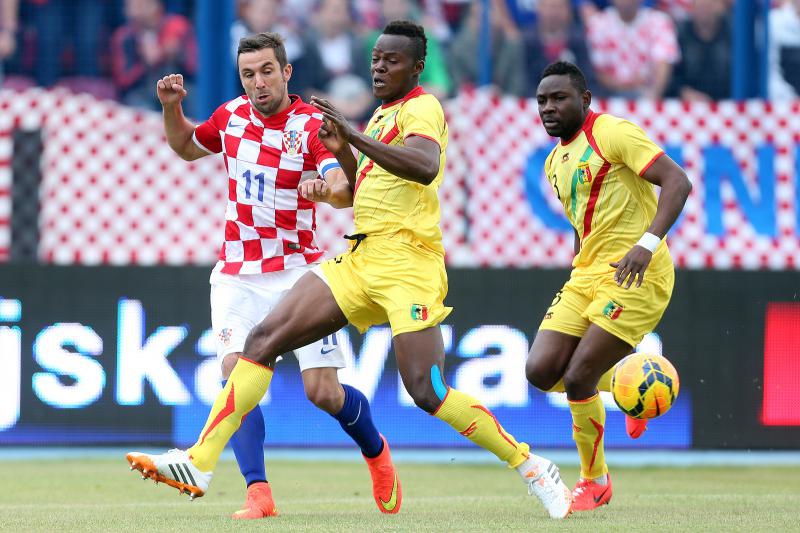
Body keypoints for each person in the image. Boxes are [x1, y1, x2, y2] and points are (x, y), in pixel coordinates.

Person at [127, 20, 573, 520]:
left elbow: (423, 166)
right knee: (261, 343)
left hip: (408, 265)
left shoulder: (422, 108)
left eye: (391, 61)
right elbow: (358, 188)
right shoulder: (378, 117)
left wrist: (346, 144)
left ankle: (532, 465)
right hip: (359, 257)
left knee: (426, 391)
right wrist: (344, 153)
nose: (379, 68)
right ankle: (201, 462)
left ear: (417, 67)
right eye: (376, 60)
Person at [125, 32, 399, 519]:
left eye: (267, 71)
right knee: (238, 376)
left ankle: (377, 452)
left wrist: (325, 190)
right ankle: (258, 492)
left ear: (286, 72)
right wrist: (171, 108)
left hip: (301, 273)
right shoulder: (230, 116)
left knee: (322, 392)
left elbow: (343, 188)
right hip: (237, 273)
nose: (258, 82)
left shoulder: (310, 124)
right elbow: (186, 146)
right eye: (248, 74)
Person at [528, 61, 691, 511]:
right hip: (586, 275)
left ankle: (595, 481)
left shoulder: (613, 133)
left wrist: (647, 244)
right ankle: (635, 391)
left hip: (636, 271)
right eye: (542, 101)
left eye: (559, 98)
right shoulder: (553, 161)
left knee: (579, 376)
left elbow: (677, 181)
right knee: (540, 371)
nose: (548, 107)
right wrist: (578, 264)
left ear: (585, 100)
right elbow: (583, 223)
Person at [110, 0, 197, 111]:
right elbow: (122, 80)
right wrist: (144, 63)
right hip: (141, 92)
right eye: (131, 6)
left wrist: (177, 53)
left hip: (178, 87)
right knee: (140, 106)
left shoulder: (177, 26)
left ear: (156, 5)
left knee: (196, 100)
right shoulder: (124, 37)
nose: (136, 12)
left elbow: (195, 66)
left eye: (141, 5)